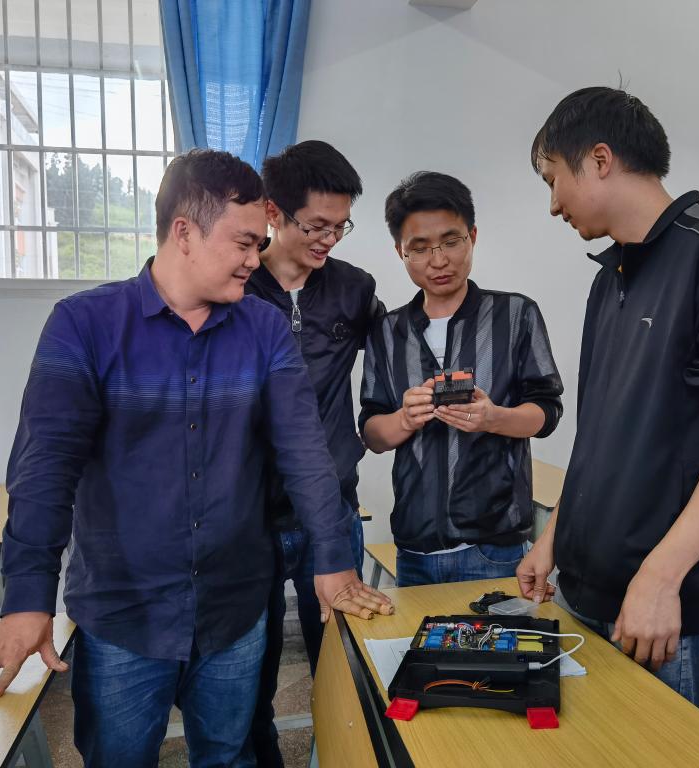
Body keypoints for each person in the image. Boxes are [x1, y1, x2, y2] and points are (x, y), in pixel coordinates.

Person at [0, 149, 392, 768]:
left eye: (259, 244)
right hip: (125, 611)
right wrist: (27, 597)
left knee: (230, 756)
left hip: (234, 609)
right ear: (184, 231)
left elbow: (305, 451)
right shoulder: (86, 325)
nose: (255, 259)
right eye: (243, 243)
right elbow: (45, 472)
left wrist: (334, 561)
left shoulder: (262, 329)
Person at [517, 87, 699, 714]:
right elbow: (599, 434)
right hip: (589, 587)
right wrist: (556, 539)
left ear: (599, 160)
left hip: (669, 606)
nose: (552, 204)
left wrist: (661, 575)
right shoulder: (610, 278)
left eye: (553, 179)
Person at [244, 140, 383, 767]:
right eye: (317, 226)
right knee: (251, 669)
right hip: (249, 515)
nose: (329, 240)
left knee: (341, 664)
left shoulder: (353, 288)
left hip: (331, 509)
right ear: (274, 212)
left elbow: (398, 346)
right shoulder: (236, 284)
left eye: (340, 226)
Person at [360, 171, 564, 587]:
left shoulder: (515, 315)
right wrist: (404, 419)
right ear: (400, 252)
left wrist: (494, 418)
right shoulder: (388, 331)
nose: (438, 261)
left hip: (494, 547)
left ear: (472, 236)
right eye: (420, 248)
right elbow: (372, 433)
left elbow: (547, 412)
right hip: (414, 547)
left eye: (451, 241)